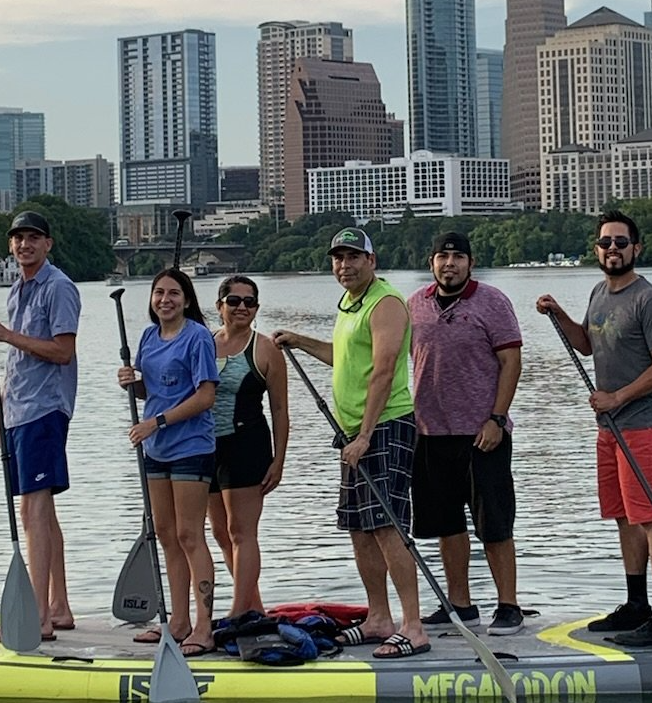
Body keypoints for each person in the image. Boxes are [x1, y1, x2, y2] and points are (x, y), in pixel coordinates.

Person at [272, 227, 429, 658]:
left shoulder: (386, 303)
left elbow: (382, 370)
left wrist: (364, 435)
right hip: (353, 435)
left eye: (353, 257)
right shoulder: (348, 305)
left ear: (371, 261)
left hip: (385, 427)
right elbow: (343, 358)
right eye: (338, 258)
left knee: (388, 527)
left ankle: (412, 626)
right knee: (360, 530)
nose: (345, 265)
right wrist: (300, 342)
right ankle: (379, 617)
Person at [535, 210, 652, 647]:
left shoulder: (649, 300)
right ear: (596, 249)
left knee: (650, 516)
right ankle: (635, 602)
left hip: (643, 426)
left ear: (637, 248)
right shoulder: (600, 291)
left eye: (621, 242)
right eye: (605, 243)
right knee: (623, 516)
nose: (612, 250)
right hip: (609, 429)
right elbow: (587, 343)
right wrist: (558, 314)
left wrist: (618, 397)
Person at [406, 231, 525, 635]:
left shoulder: (492, 302)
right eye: (443, 257)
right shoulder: (414, 305)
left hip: (481, 432)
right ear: (431, 262)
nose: (450, 264)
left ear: (470, 264)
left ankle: (508, 605)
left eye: (458, 257)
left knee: (494, 523)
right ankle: (460, 604)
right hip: (430, 431)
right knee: (446, 524)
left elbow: (511, 362)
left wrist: (497, 418)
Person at [0, 210, 80, 642]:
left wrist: (5, 335)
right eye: (18, 238)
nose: (25, 244)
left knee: (34, 511)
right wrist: (0, 408)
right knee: (38, 512)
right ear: (10, 246)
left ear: (48, 244)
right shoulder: (17, 289)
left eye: (34, 237)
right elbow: (16, 358)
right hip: (19, 408)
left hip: (45, 409)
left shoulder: (58, 288)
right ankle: (58, 606)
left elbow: (62, 351)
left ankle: (38, 617)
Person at [117, 267, 220, 656]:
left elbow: (205, 395)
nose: (165, 300)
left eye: (174, 293)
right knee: (165, 533)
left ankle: (204, 626)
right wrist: (131, 381)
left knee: (190, 535)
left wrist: (156, 421)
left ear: (187, 300)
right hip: (156, 448)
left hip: (191, 445)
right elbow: (152, 389)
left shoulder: (198, 338)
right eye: (159, 293)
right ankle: (177, 622)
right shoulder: (147, 337)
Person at [207, 275, 290, 619]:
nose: (242, 307)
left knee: (242, 532)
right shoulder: (204, 343)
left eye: (250, 302)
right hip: (208, 449)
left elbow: (281, 410)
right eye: (234, 301)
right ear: (219, 306)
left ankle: (238, 612)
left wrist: (279, 460)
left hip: (247, 445)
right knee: (220, 533)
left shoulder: (265, 349)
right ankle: (253, 606)